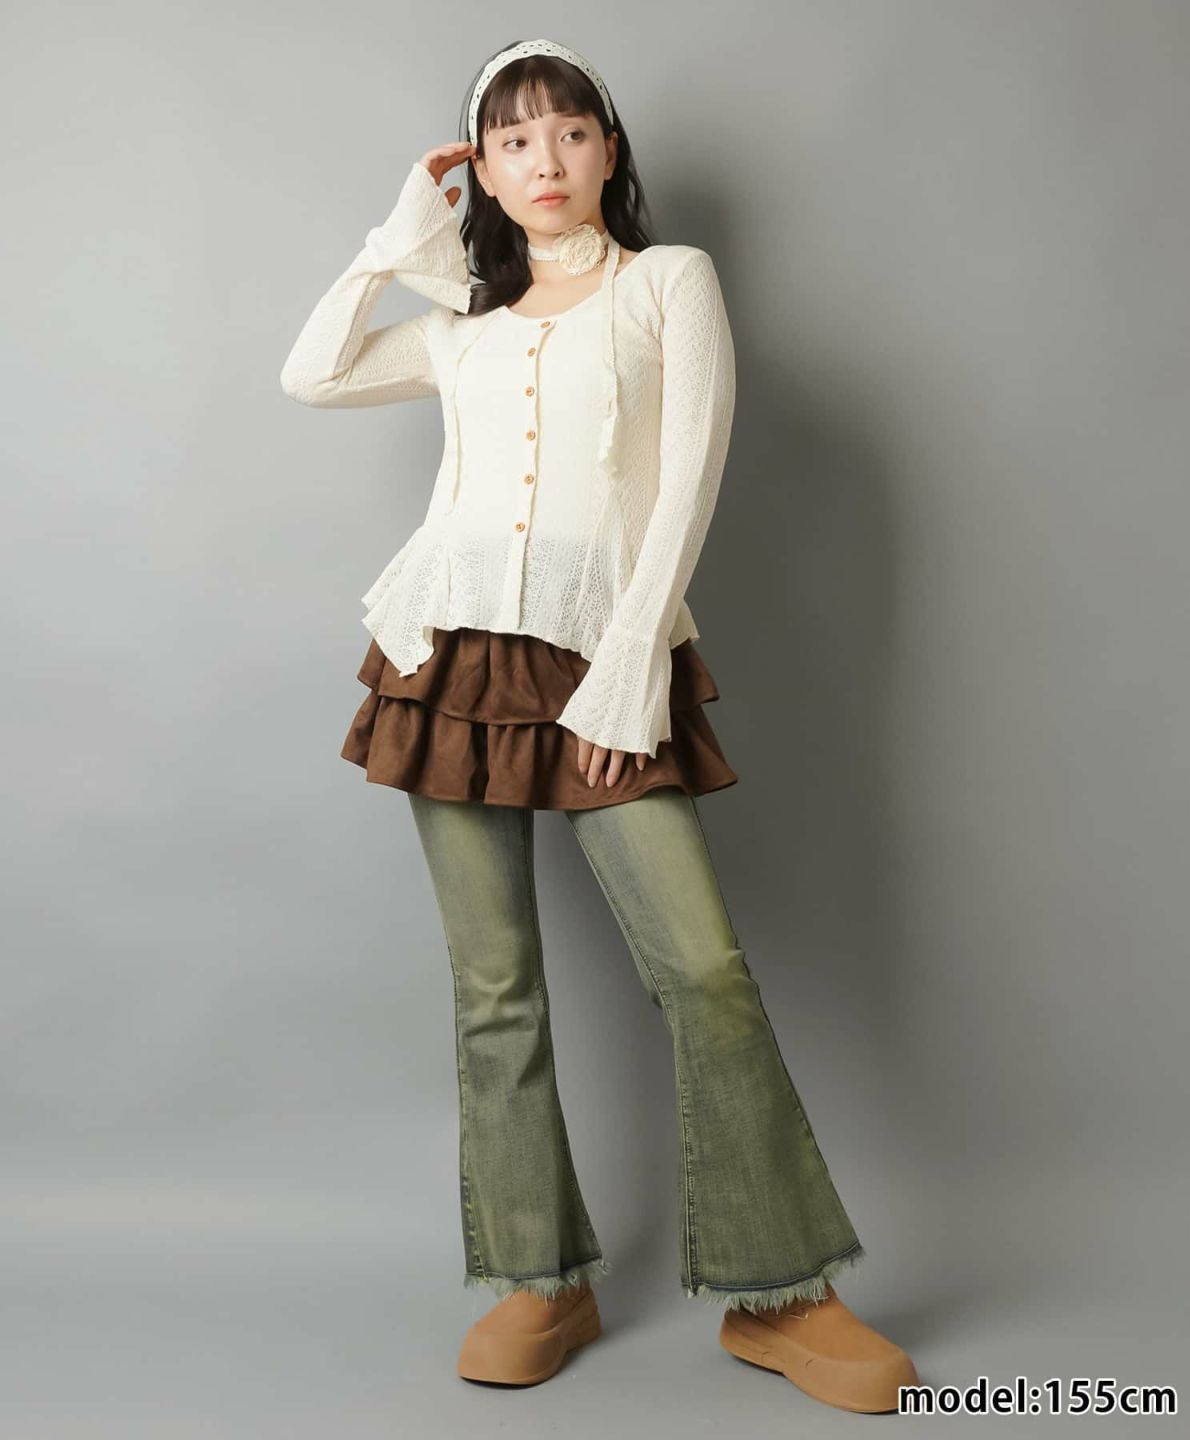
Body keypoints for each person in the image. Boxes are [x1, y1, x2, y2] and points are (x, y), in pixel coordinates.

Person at [281, 35, 918, 1412]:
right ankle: (539, 1279)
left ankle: (781, 1294)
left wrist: (631, 660)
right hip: (444, 660)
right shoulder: (464, 330)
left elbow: (690, 474)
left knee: (705, 972)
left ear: (608, 150)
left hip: (602, 655)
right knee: (493, 986)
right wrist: (395, 242)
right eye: (511, 141)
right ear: (481, 172)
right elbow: (312, 375)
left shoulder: (667, 284)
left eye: (568, 132)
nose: (545, 161)